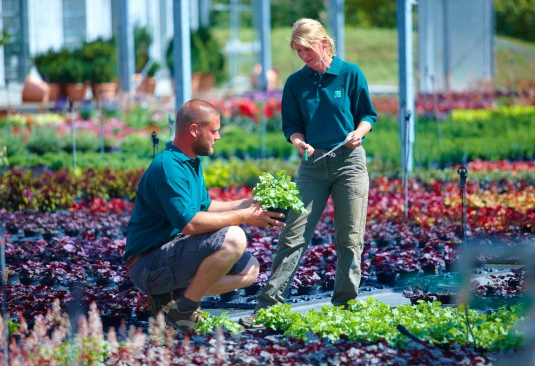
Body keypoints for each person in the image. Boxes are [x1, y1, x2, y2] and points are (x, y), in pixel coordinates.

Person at [240, 18, 377, 328]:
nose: (303, 56)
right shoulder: (295, 83)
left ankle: (345, 306)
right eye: (297, 50)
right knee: (293, 234)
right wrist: (299, 142)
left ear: (323, 43)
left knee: (350, 238)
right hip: (312, 166)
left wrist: (359, 131)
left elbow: (367, 114)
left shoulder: (349, 73)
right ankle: (269, 307)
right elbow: (291, 126)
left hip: (350, 163)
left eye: (306, 49)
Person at [124, 99, 285, 332]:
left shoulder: (190, 161)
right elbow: (190, 224)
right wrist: (244, 216)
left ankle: (174, 299)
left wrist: (250, 203)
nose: (218, 137)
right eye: (214, 131)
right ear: (193, 130)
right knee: (234, 239)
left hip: (170, 255)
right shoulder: (168, 167)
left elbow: (205, 206)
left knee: (250, 269)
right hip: (150, 265)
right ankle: (183, 312)